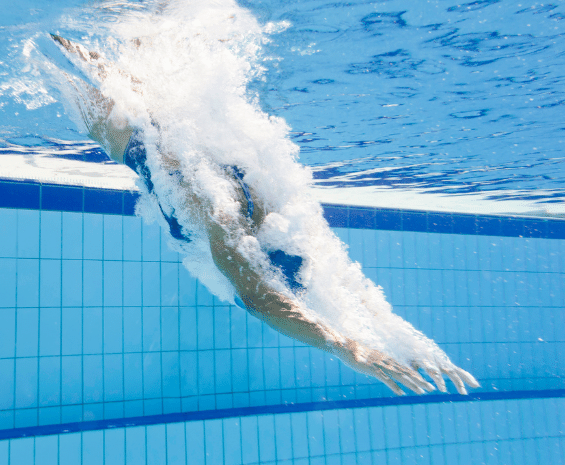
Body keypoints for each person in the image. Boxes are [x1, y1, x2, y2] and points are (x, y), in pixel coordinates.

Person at [51, 34, 480, 397]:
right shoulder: (269, 204)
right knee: (127, 60)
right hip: (173, 146)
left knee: (53, 59)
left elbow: (260, 300)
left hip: (129, 141)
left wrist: (348, 349)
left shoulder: (216, 216)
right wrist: (406, 342)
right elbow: (346, 283)